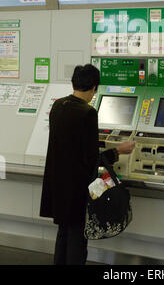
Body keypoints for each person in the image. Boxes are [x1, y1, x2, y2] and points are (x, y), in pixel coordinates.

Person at [40, 64, 135, 265]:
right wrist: (119, 151)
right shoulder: (88, 113)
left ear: (73, 83)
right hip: (77, 189)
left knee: (63, 234)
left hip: (58, 185)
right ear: (94, 88)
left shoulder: (58, 106)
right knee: (77, 239)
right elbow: (92, 159)